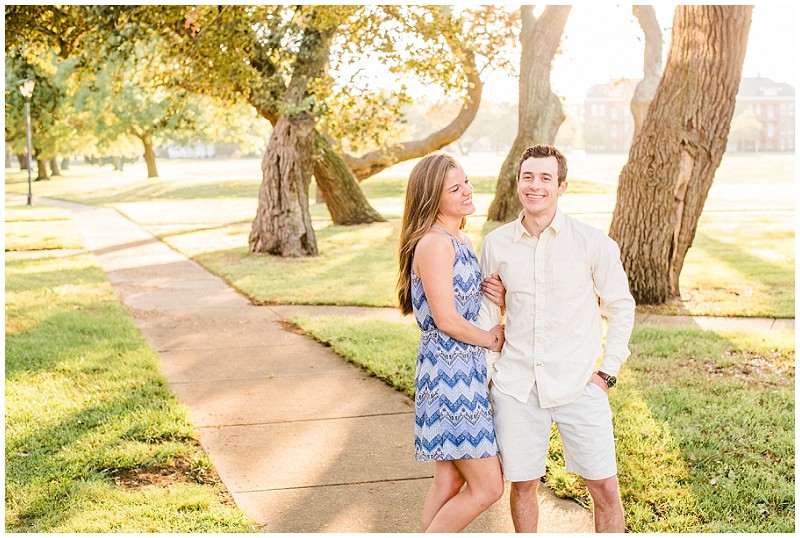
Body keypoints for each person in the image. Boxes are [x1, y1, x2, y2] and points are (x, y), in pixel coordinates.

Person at [477, 144, 635, 533]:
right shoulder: (497, 244)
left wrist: (606, 374)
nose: (536, 186)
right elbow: (486, 312)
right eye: (528, 176)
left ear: (562, 186)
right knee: (524, 484)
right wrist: (492, 372)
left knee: (604, 489)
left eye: (546, 178)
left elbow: (621, 308)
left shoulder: (592, 242)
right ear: (518, 183)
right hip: (516, 387)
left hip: (580, 386)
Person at [397, 151, 507, 532]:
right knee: (489, 487)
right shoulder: (435, 243)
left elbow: (458, 299)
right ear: (432, 199)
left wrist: (489, 291)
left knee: (450, 480)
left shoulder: (457, 238)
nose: (467, 191)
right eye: (455, 188)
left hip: (461, 368)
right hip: (449, 375)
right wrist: (491, 340)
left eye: (466, 182)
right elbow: (445, 319)